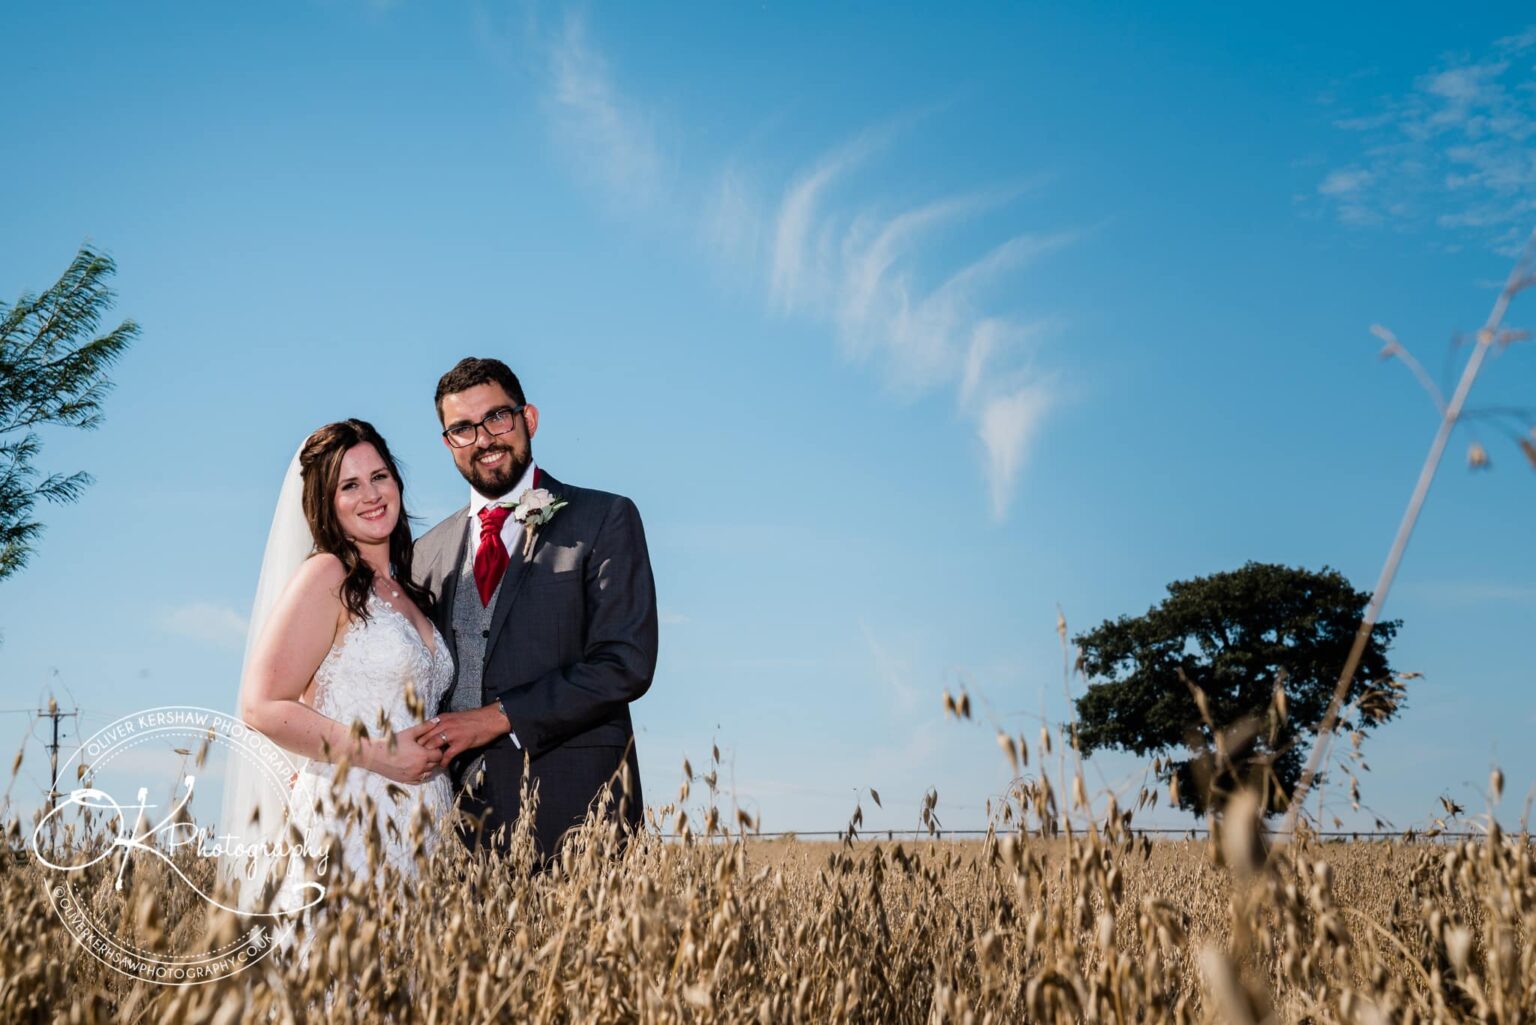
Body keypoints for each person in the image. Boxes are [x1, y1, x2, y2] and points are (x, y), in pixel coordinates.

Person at [413, 357, 657, 862]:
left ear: (530, 419)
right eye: (462, 428)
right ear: (447, 443)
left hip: (581, 819)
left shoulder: (605, 517)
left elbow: (624, 663)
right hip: (455, 830)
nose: (484, 439)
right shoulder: (425, 553)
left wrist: (499, 718)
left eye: (497, 418)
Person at [230, 419, 454, 911]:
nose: (371, 494)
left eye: (379, 476)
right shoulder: (327, 574)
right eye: (349, 485)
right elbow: (262, 705)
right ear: (325, 503)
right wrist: (378, 754)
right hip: (352, 820)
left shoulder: (406, 589)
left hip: (424, 820)